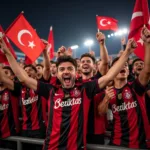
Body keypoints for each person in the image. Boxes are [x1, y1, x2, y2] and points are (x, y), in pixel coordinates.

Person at [0, 36, 136, 150]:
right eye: (62, 69)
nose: (66, 71)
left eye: (70, 68)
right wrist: (6, 51)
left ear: (75, 72)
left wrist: (127, 52)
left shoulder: (85, 89)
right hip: (51, 147)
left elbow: (108, 76)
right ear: (58, 74)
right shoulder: (50, 90)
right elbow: (23, 78)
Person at [98, 26, 150, 149]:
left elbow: (147, 70)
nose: (123, 67)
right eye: (118, 65)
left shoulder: (135, 86)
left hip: (140, 143)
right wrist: (106, 99)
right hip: (116, 142)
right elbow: (100, 112)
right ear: (112, 70)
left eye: (126, 65)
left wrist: (147, 44)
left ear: (128, 70)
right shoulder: (108, 90)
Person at [0, 66, 20, 150]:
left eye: (6, 73)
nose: (2, 76)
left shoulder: (15, 88)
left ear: (12, 76)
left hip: (11, 133)